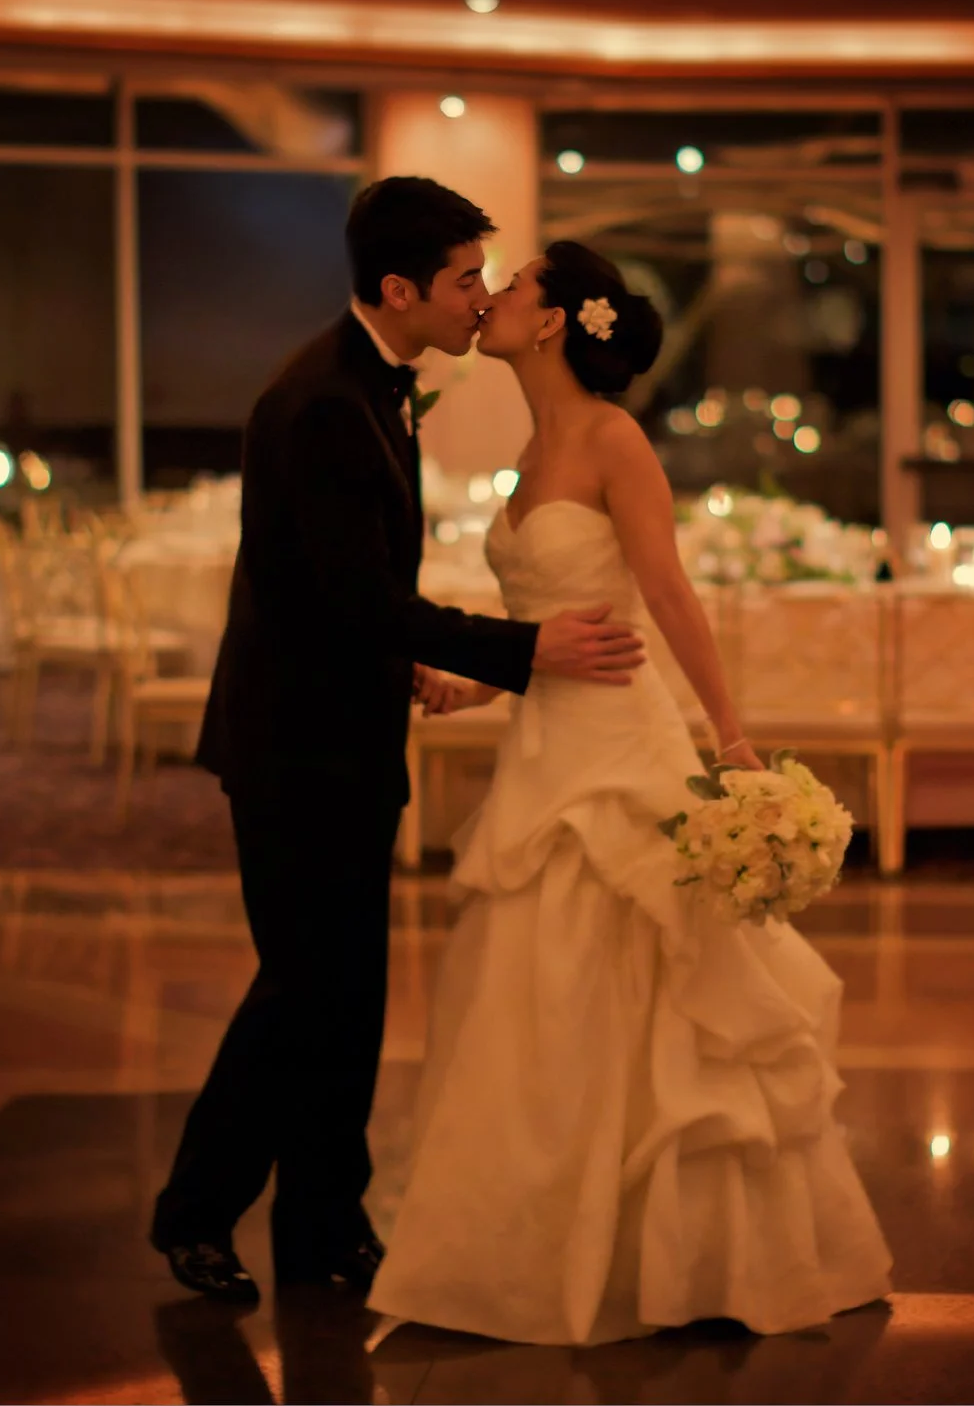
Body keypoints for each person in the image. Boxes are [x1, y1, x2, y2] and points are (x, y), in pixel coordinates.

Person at [368, 240, 892, 1345]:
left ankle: (686, 1256)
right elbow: (567, 634)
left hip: (622, 758)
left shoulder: (612, 439)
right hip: (545, 756)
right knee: (536, 997)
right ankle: (528, 1242)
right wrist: (477, 683)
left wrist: (731, 736)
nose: (495, 301)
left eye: (511, 288)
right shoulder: (526, 450)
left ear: (556, 322)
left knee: (651, 990)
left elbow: (666, 597)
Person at [148, 179, 648, 1305]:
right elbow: (356, 596)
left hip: (344, 728)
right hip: (293, 747)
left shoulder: (377, 384)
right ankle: (193, 1210)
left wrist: (414, 664)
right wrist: (519, 653)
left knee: (350, 993)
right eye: (467, 278)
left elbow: (346, 595)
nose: (481, 298)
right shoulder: (322, 400)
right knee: (303, 989)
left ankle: (328, 1220)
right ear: (399, 289)